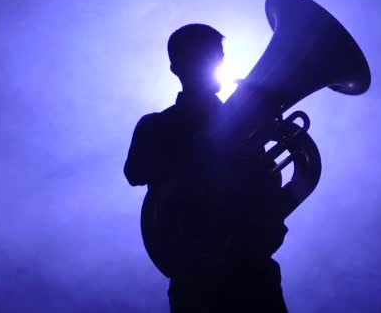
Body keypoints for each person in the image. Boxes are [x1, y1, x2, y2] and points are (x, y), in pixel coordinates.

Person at [124, 23, 289, 313]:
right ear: (176, 67)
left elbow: (264, 185)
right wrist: (200, 145)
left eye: (219, 55)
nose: (218, 62)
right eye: (207, 55)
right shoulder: (156, 124)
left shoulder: (245, 123)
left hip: (253, 272)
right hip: (195, 280)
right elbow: (134, 172)